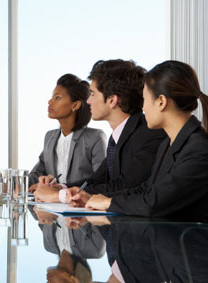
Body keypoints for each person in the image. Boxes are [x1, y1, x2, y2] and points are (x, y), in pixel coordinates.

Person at [81, 60, 208, 219]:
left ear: (161, 102)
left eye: (145, 99)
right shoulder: (167, 144)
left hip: (189, 241)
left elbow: (154, 202)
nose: (143, 108)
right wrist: (98, 198)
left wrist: (108, 203)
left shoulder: (199, 148)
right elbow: (145, 189)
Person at [35, 59, 166, 203]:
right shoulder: (118, 136)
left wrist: (61, 196)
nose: (88, 101)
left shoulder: (149, 133)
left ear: (112, 100)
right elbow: (96, 180)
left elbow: (126, 185)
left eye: (92, 94)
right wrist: (60, 187)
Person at [27, 74, 107, 197]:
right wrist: (5, 185)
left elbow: (101, 181)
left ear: (75, 105)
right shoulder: (50, 137)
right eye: (52, 97)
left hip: (80, 207)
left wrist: (60, 189)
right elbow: (35, 174)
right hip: (53, 208)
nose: (50, 102)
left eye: (57, 98)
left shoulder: (95, 137)